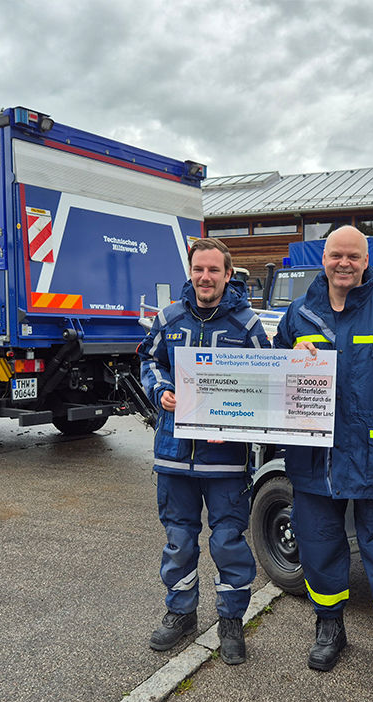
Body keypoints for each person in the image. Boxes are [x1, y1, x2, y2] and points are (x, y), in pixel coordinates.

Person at [274, 225, 373, 700]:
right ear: (323, 259)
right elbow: (269, 383)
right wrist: (287, 358)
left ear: (366, 261)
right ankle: (329, 628)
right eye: (336, 255)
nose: (344, 263)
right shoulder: (298, 314)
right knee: (319, 550)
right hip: (313, 463)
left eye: (353, 256)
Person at [139, 237, 270, 665]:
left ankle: (231, 621)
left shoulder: (247, 326)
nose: (205, 277)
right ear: (190, 271)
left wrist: (238, 421)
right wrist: (161, 390)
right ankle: (181, 613)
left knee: (229, 540)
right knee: (179, 539)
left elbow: (266, 383)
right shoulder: (169, 318)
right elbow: (149, 362)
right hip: (174, 452)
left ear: (228, 275)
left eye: (214, 270)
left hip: (225, 459)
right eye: (199, 269)